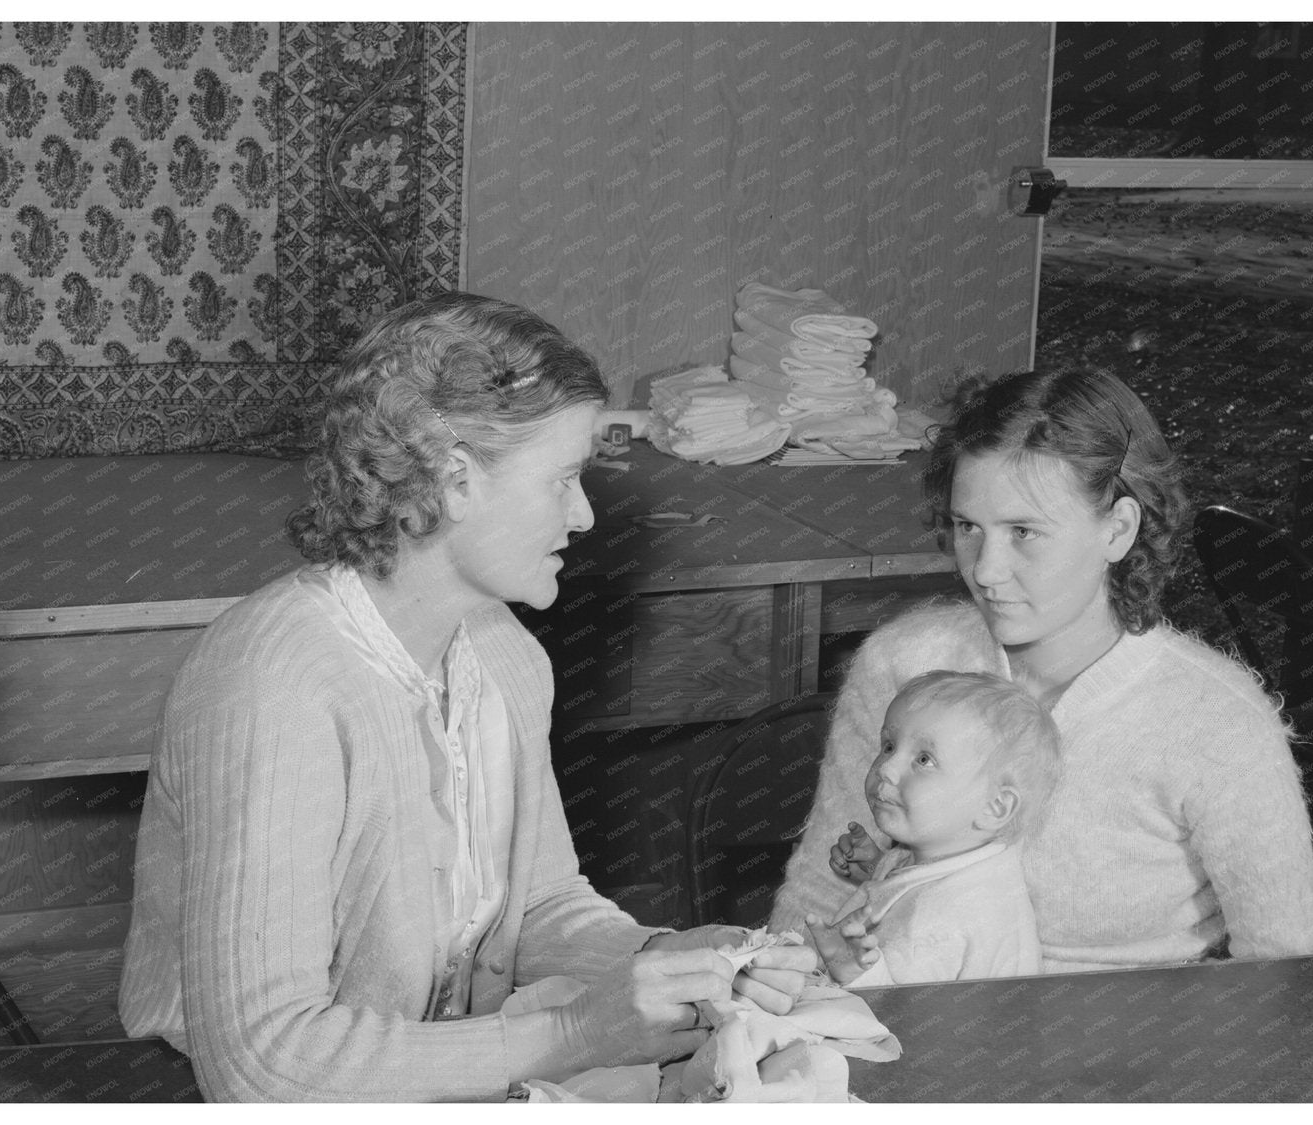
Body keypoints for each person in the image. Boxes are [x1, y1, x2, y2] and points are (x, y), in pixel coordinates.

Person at [118, 292, 814, 1101]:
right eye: (562, 479)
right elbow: (262, 1063)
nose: (583, 513)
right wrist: (571, 1034)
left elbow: (541, 905)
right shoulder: (271, 686)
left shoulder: (503, 656)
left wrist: (680, 958)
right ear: (452, 480)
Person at [772, 368, 1313, 972]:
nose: (984, 570)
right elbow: (822, 887)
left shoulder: (1218, 724)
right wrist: (770, 1004)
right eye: (968, 528)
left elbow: (1283, 980)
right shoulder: (905, 663)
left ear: (1118, 529)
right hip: (891, 1029)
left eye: (1025, 532)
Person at [805, 670, 1058, 986]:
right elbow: (911, 890)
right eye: (888, 746)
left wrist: (855, 971)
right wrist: (878, 869)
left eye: (924, 759)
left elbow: (904, 1016)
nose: (886, 768)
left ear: (995, 807)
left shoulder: (937, 919)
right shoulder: (959, 861)